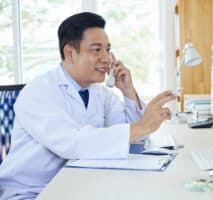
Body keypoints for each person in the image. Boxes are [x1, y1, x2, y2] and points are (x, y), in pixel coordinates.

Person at [0, 12, 176, 199]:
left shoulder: (102, 94)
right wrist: (141, 126)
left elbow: (135, 136)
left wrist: (128, 91)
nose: (106, 58)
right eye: (96, 49)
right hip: (33, 192)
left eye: (108, 50)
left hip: (78, 186)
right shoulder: (39, 91)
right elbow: (71, 143)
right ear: (70, 53)